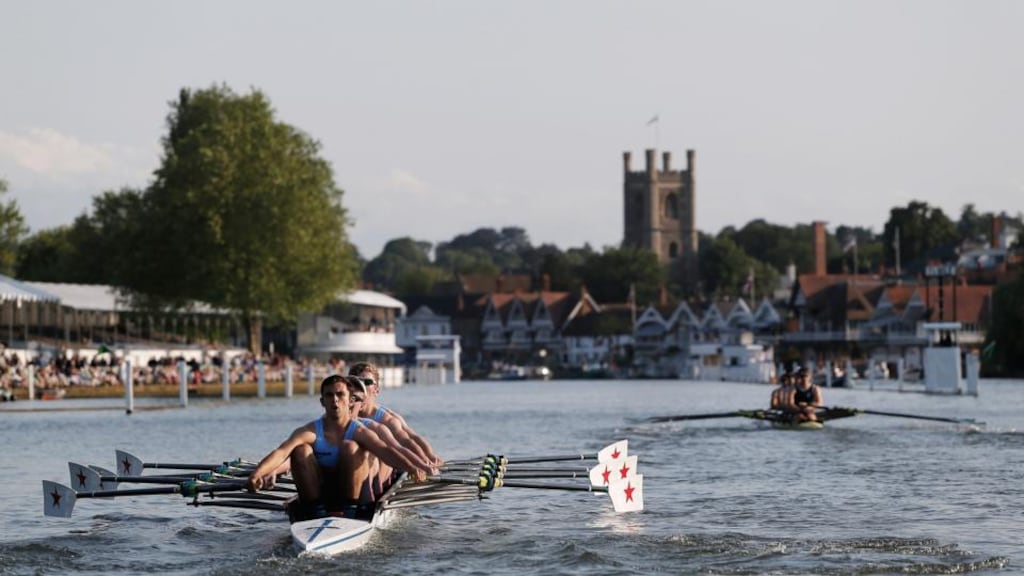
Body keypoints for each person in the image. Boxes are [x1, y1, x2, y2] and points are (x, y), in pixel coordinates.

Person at [245, 374, 437, 520]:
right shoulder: (309, 430)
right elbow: (281, 453)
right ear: (322, 401)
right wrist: (257, 474)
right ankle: (315, 511)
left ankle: (350, 510)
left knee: (350, 447)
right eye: (329, 395)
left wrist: (413, 467)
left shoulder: (361, 431)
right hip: (320, 497)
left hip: (353, 498)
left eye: (340, 395)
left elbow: (387, 452)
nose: (334, 400)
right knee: (300, 450)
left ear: (350, 400)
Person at [348, 362, 443, 466]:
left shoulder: (387, 420)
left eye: (366, 382)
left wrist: (427, 459)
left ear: (376, 390)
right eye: (356, 382)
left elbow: (409, 440)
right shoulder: (339, 412)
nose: (360, 386)